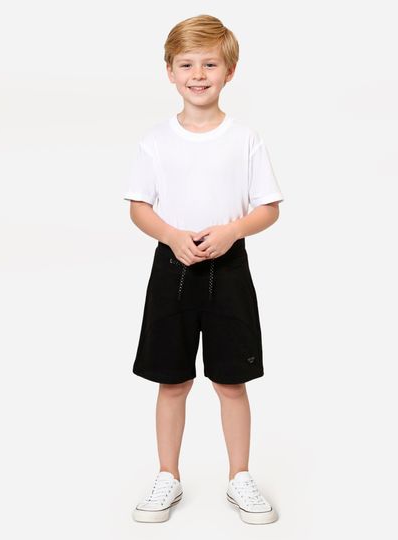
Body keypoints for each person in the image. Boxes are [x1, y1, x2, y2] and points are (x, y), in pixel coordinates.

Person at [123, 14, 284, 525]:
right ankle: (167, 475)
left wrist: (231, 231)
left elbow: (268, 208)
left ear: (229, 72)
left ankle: (240, 476)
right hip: (171, 267)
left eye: (210, 64)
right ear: (169, 72)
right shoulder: (156, 140)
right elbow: (139, 207)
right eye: (187, 64)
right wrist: (172, 236)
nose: (198, 74)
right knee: (171, 380)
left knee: (232, 381)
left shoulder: (245, 139)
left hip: (228, 269)